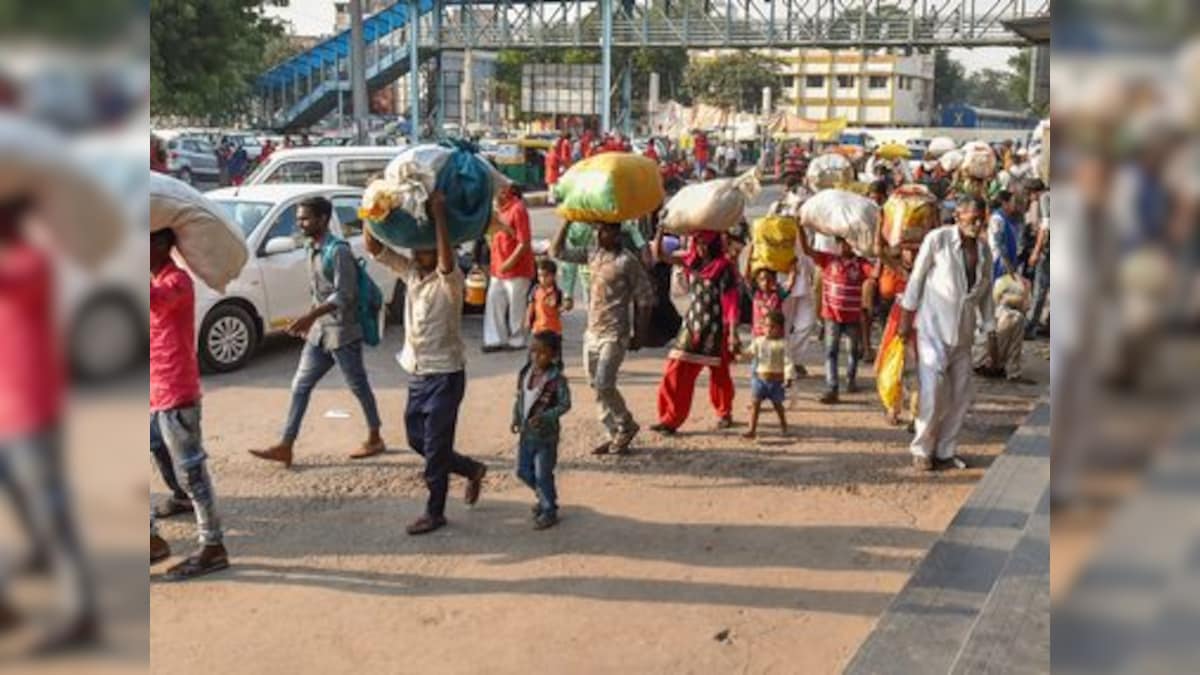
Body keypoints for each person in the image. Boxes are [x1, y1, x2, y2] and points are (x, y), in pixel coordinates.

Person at [0, 195, 97, 648]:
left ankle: (81, 612)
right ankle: (37, 556)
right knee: (24, 496)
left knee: (52, 508)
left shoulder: (31, 263)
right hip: (10, 409)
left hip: (32, 411)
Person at [365, 191, 489, 534]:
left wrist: (440, 216)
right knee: (417, 440)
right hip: (417, 373)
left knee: (435, 448)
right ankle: (470, 469)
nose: (419, 255)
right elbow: (376, 250)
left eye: (426, 251)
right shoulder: (411, 275)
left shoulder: (451, 281)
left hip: (446, 375)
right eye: (417, 250)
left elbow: (446, 261)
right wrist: (370, 210)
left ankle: (435, 511)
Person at [249, 197, 385, 468]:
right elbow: (317, 291)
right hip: (320, 333)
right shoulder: (312, 247)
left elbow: (344, 295)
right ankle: (286, 445)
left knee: (358, 386)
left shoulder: (339, 251)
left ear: (323, 219)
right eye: (299, 219)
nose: (300, 224)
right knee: (300, 386)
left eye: (305, 218)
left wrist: (310, 317)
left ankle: (375, 436)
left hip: (343, 332)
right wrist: (310, 322)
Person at [150, 228, 230, 581]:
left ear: (163, 246)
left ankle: (213, 547)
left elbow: (155, 300)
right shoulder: (156, 278)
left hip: (177, 392)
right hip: (154, 391)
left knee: (194, 473)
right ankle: (152, 540)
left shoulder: (177, 281)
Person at [898, 195, 998, 472]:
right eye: (972, 218)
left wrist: (991, 332)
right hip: (932, 330)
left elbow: (986, 295)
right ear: (958, 216)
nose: (977, 224)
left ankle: (945, 450)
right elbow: (916, 279)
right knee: (932, 392)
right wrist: (906, 319)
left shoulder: (984, 251)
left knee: (961, 396)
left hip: (963, 337)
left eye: (981, 219)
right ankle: (922, 449)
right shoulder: (938, 240)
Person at [550, 221, 655, 455]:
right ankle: (613, 433)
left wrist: (640, 334)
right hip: (592, 331)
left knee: (604, 382)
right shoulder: (592, 254)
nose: (598, 234)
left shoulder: (626, 262)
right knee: (595, 385)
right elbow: (556, 252)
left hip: (615, 333)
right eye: (597, 230)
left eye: (604, 230)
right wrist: (565, 221)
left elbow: (645, 299)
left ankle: (626, 424)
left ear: (616, 234)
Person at [651, 231, 740, 435]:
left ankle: (724, 411)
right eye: (697, 243)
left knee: (720, 374)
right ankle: (670, 420)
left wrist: (733, 333)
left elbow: (731, 302)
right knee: (675, 369)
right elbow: (660, 254)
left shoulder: (724, 268)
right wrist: (661, 229)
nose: (700, 247)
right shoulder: (691, 262)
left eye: (704, 244)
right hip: (692, 325)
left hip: (717, 328)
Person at [798, 233, 872, 404]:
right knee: (831, 352)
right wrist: (800, 227)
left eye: (849, 243)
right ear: (837, 244)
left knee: (853, 351)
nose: (845, 246)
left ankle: (851, 380)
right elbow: (807, 250)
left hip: (853, 316)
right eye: (842, 243)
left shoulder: (861, 264)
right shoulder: (828, 260)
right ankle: (832, 388)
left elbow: (874, 274)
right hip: (831, 316)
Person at [510, 331, 572, 530]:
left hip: (546, 436)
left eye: (542, 353)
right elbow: (520, 399)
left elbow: (565, 405)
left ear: (553, 355)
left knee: (543, 473)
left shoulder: (557, 380)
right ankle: (545, 496)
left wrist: (546, 417)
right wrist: (516, 418)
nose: (536, 356)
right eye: (533, 351)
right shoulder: (526, 373)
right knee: (522, 471)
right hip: (526, 434)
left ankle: (549, 510)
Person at [483, 185, 535, 352]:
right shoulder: (497, 210)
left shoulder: (518, 209)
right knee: (494, 301)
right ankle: (494, 339)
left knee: (516, 305)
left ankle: (517, 339)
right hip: (498, 267)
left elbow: (524, 242)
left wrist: (509, 263)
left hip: (516, 269)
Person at [873, 247, 920, 427]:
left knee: (917, 371)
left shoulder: (927, 272)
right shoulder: (900, 271)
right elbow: (880, 252)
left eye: (916, 251)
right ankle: (894, 408)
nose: (912, 255)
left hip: (919, 323)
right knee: (895, 367)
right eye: (909, 250)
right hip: (898, 322)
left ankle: (916, 415)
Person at [739, 311, 792, 439]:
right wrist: (739, 352)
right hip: (760, 380)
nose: (769, 329)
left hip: (776, 382)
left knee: (778, 406)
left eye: (773, 326)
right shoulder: (758, 341)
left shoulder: (783, 344)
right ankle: (752, 430)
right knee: (755, 404)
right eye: (766, 326)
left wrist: (788, 377)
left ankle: (784, 425)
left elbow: (788, 362)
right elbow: (749, 353)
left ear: (780, 329)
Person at [1024, 179, 1050, 339]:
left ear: (1033, 192)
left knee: (1040, 289)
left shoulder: (1044, 198)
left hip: (1049, 252)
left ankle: (1030, 327)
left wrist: (1035, 251)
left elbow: (1045, 228)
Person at [988, 189, 1023, 280]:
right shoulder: (997, 219)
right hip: (1000, 263)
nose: (1014, 205)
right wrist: (1008, 266)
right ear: (1005, 203)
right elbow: (999, 244)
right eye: (1012, 202)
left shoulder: (1005, 218)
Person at [528, 258, 563, 337]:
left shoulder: (557, 292)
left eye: (546, 276)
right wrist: (528, 320)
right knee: (537, 348)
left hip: (553, 329)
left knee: (552, 349)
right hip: (538, 328)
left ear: (554, 276)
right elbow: (531, 306)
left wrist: (564, 307)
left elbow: (559, 309)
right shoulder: (535, 289)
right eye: (540, 276)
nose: (542, 279)